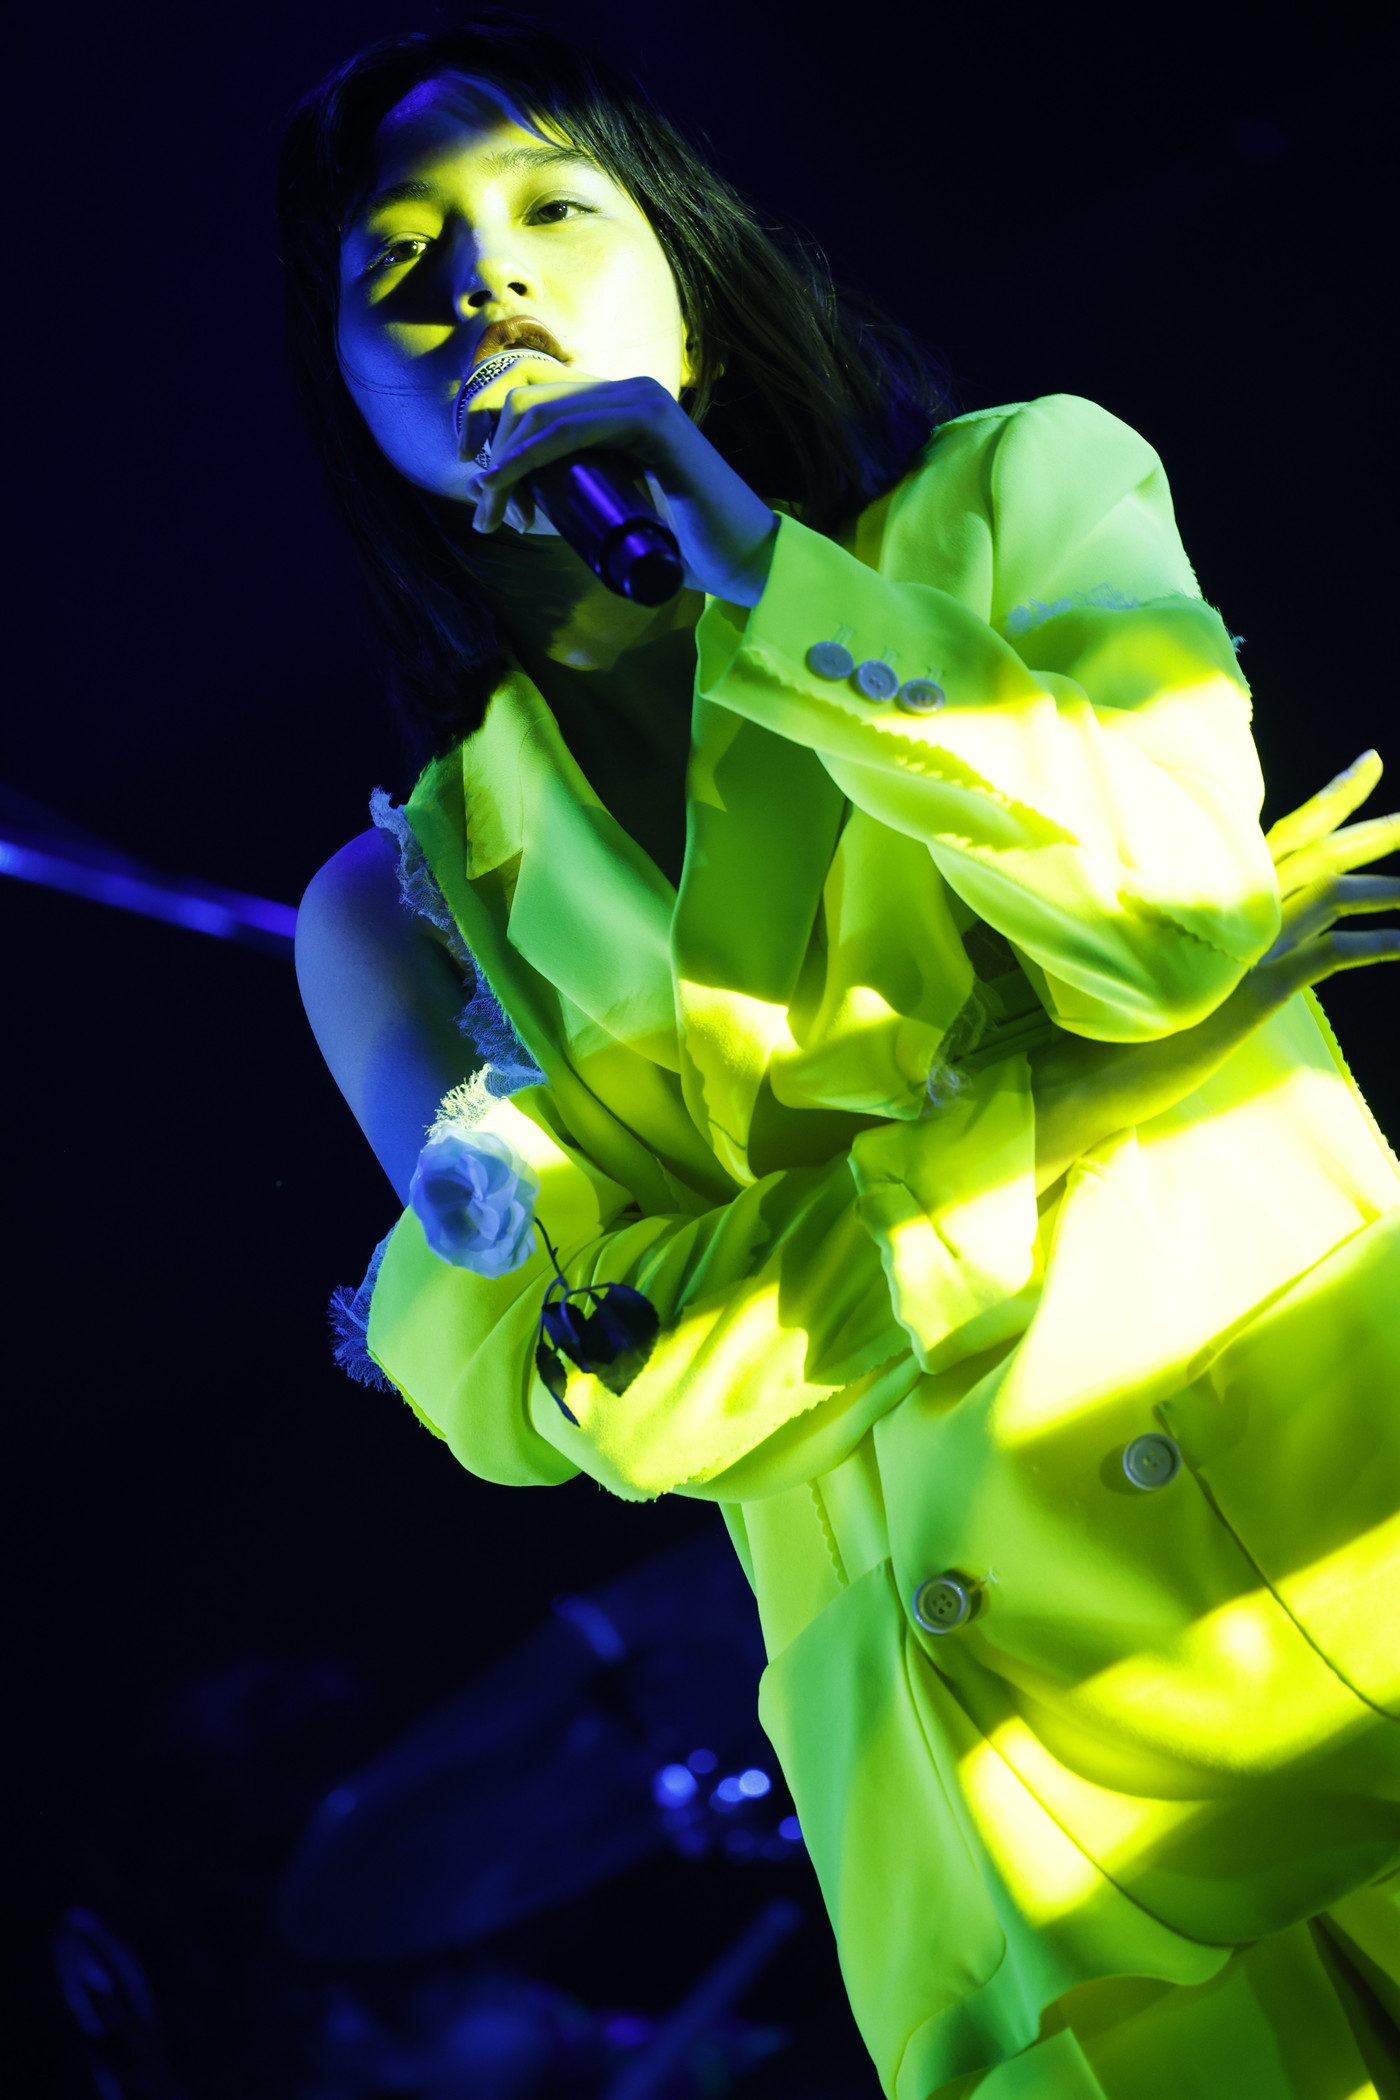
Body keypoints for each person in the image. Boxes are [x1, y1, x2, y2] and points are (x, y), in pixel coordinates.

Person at [280, 17, 1400, 2096]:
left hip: (1342, 1610)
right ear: (341, 386)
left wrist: (765, 585)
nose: (488, 279)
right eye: (400, 264)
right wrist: (1058, 1106)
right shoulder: (401, 910)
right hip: (1001, 1845)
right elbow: (605, 1400)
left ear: (685, 270)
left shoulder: (1012, 501)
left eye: (552, 208)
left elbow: (1166, 913)